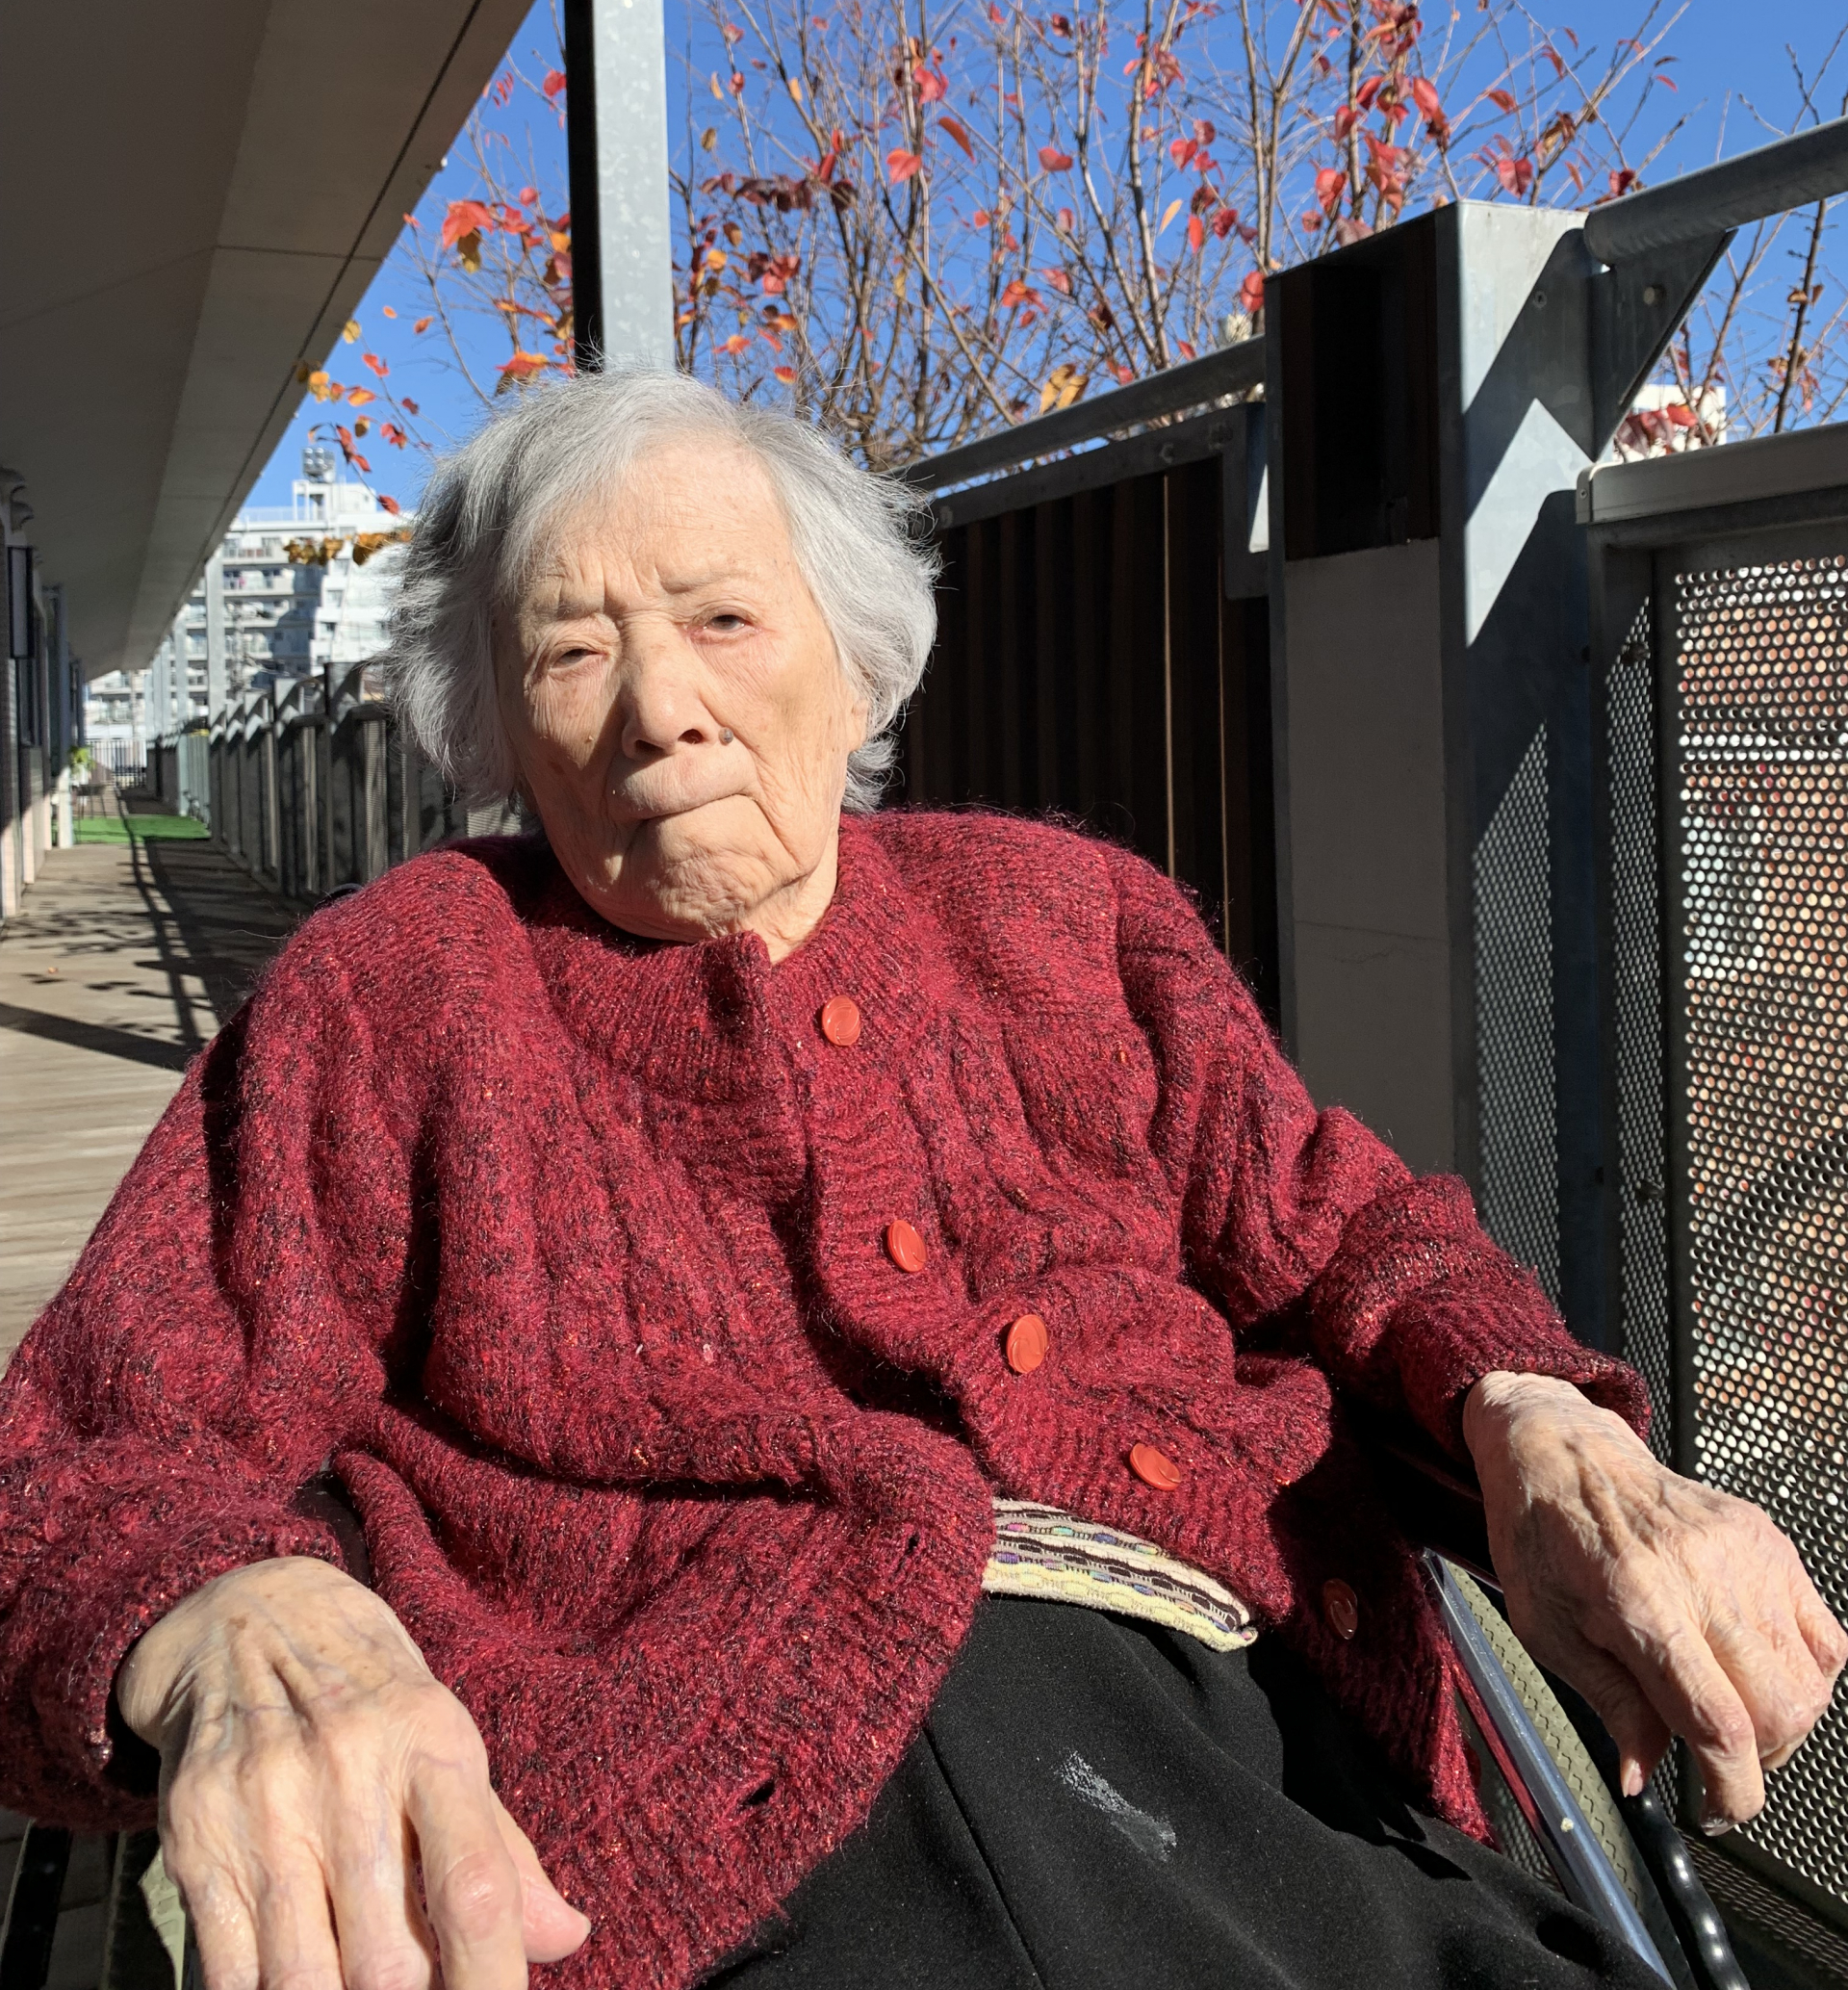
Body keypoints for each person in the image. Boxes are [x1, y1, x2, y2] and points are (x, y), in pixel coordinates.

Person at [0, 373, 1838, 1990]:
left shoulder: (1064, 918)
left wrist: (1533, 1409)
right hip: (690, 1810)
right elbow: (75, 1455)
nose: (659, 709)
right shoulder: (397, 991)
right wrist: (230, 1609)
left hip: (1236, 1712)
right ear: (495, 725)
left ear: (854, 655)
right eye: (568, 653)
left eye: (725, 618)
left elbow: (1337, 1226)